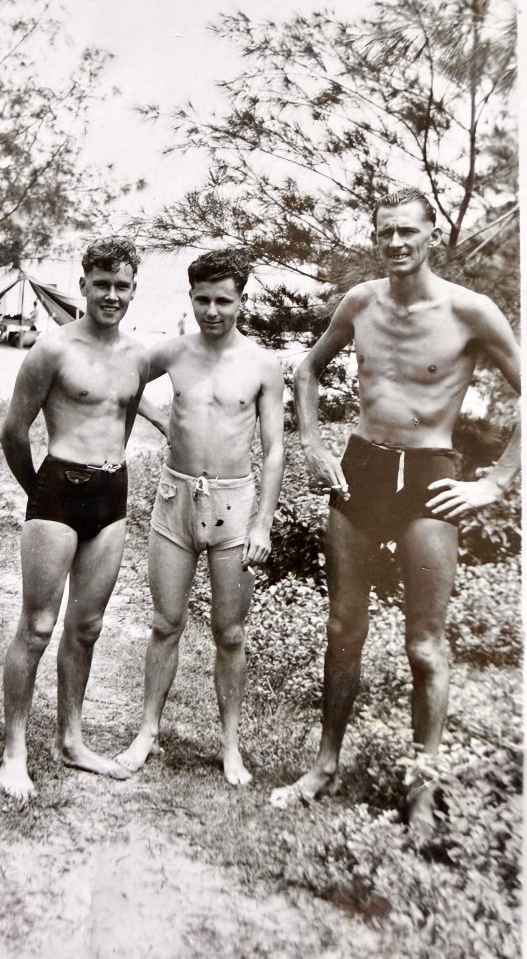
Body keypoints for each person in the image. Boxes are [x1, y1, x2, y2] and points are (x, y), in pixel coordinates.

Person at [270, 188, 520, 835]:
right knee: (340, 631)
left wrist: (494, 482)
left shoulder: (471, 311)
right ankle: (323, 767)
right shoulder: (361, 302)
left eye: (407, 231)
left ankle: (419, 792)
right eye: (385, 233)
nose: (396, 243)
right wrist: (312, 446)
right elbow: (305, 370)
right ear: (375, 236)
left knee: (424, 648)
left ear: (430, 234)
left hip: (430, 480)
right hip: (361, 473)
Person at [118, 250, 285, 786]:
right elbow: (122, 385)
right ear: (190, 298)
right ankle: (147, 731)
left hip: (235, 505)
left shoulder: (262, 364)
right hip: (175, 499)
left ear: (241, 300)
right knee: (166, 623)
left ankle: (230, 746)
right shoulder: (171, 351)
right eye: (202, 299)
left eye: (224, 300)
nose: (212, 310)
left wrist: (263, 522)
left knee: (230, 632)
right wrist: (164, 423)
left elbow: (276, 447)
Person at [0, 237, 149, 802]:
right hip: (58, 489)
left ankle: (71, 740)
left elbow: (125, 419)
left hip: (112, 495)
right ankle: (14, 750)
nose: (112, 295)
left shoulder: (138, 355)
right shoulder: (51, 350)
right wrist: (40, 492)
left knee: (86, 627)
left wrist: (109, 469)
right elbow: (13, 432)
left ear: (134, 291)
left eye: (123, 286)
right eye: (102, 284)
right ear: (83, 284)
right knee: (37, 627)